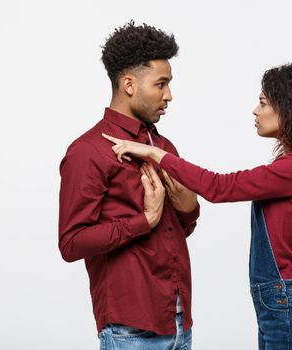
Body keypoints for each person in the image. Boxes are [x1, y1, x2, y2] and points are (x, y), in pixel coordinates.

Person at [103, 63, 292, 350]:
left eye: (263, 103)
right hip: (285, 304)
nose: (256, 111)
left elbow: (219, 187)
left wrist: (155, 153)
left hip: (291, 306)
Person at [58, 21, 200, 350]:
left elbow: (177, 231)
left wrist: (189, 207)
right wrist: (143, 221)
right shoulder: (88, 151)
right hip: (130, 331)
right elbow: (71, 242)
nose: (169, 95)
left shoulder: (163, 146)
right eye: (161, 84)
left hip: (179, 322)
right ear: (129, 84)